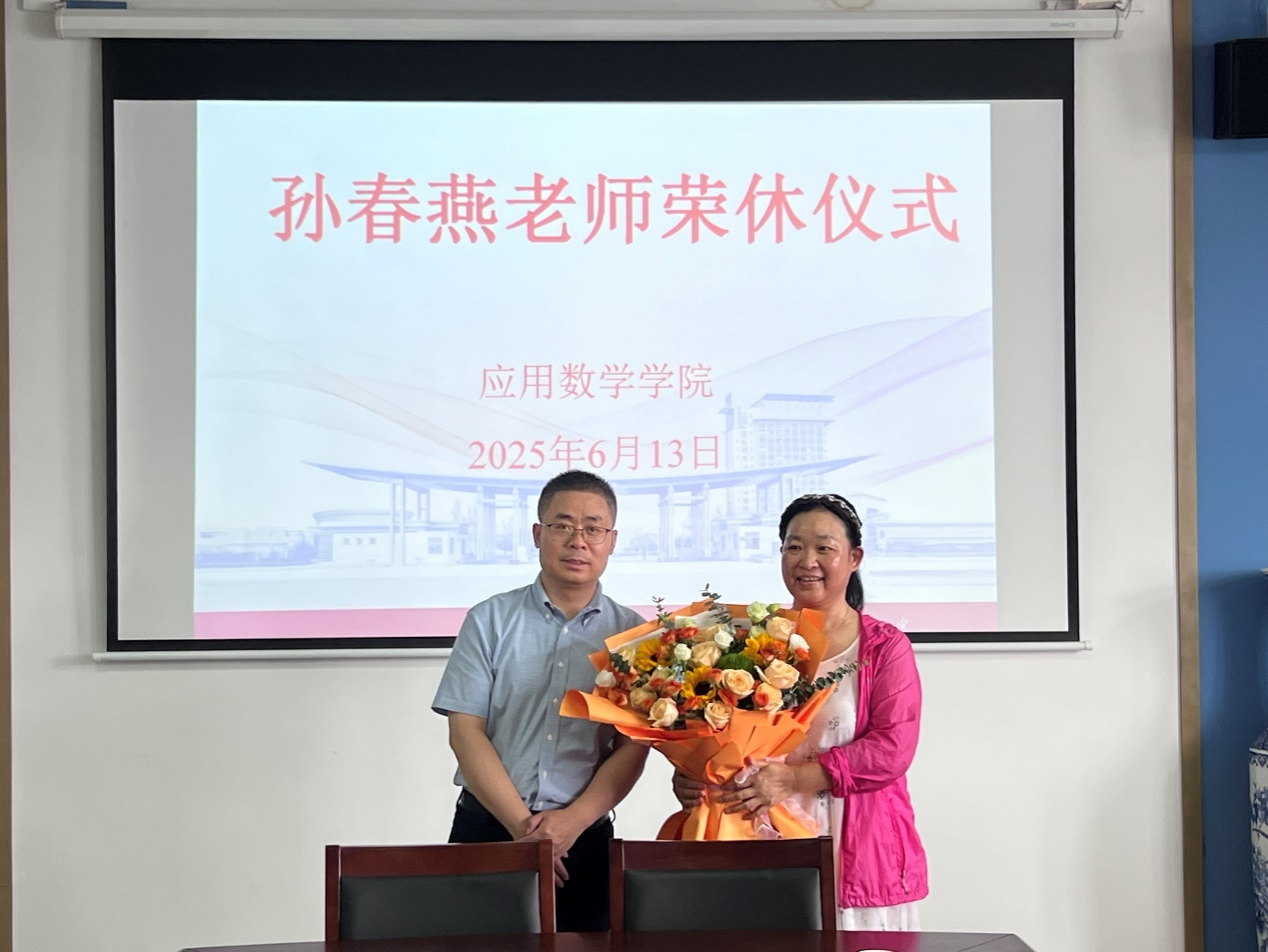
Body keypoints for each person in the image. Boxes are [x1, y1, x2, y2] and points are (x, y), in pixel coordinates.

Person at [672, 492, 928, 930]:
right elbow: (715, 733)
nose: (807, 561)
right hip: (759, 839)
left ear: (854, 558)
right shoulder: (749, 642)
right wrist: (694, 774)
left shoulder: (884, 647)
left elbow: (892, 749)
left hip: (856, 846)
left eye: (824, 548)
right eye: (794, 547)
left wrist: (793, 780)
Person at [432, 470, 648, 932]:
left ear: (611, 541)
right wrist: (523, 829)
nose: (578, 540)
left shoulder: (633, 637)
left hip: (583, 839)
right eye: (562, 525)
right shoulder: (489, 620)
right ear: (537, 534)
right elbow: (465, 732)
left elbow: (632, 747)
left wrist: (571, 823)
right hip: (488, 829)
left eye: (593, 528)